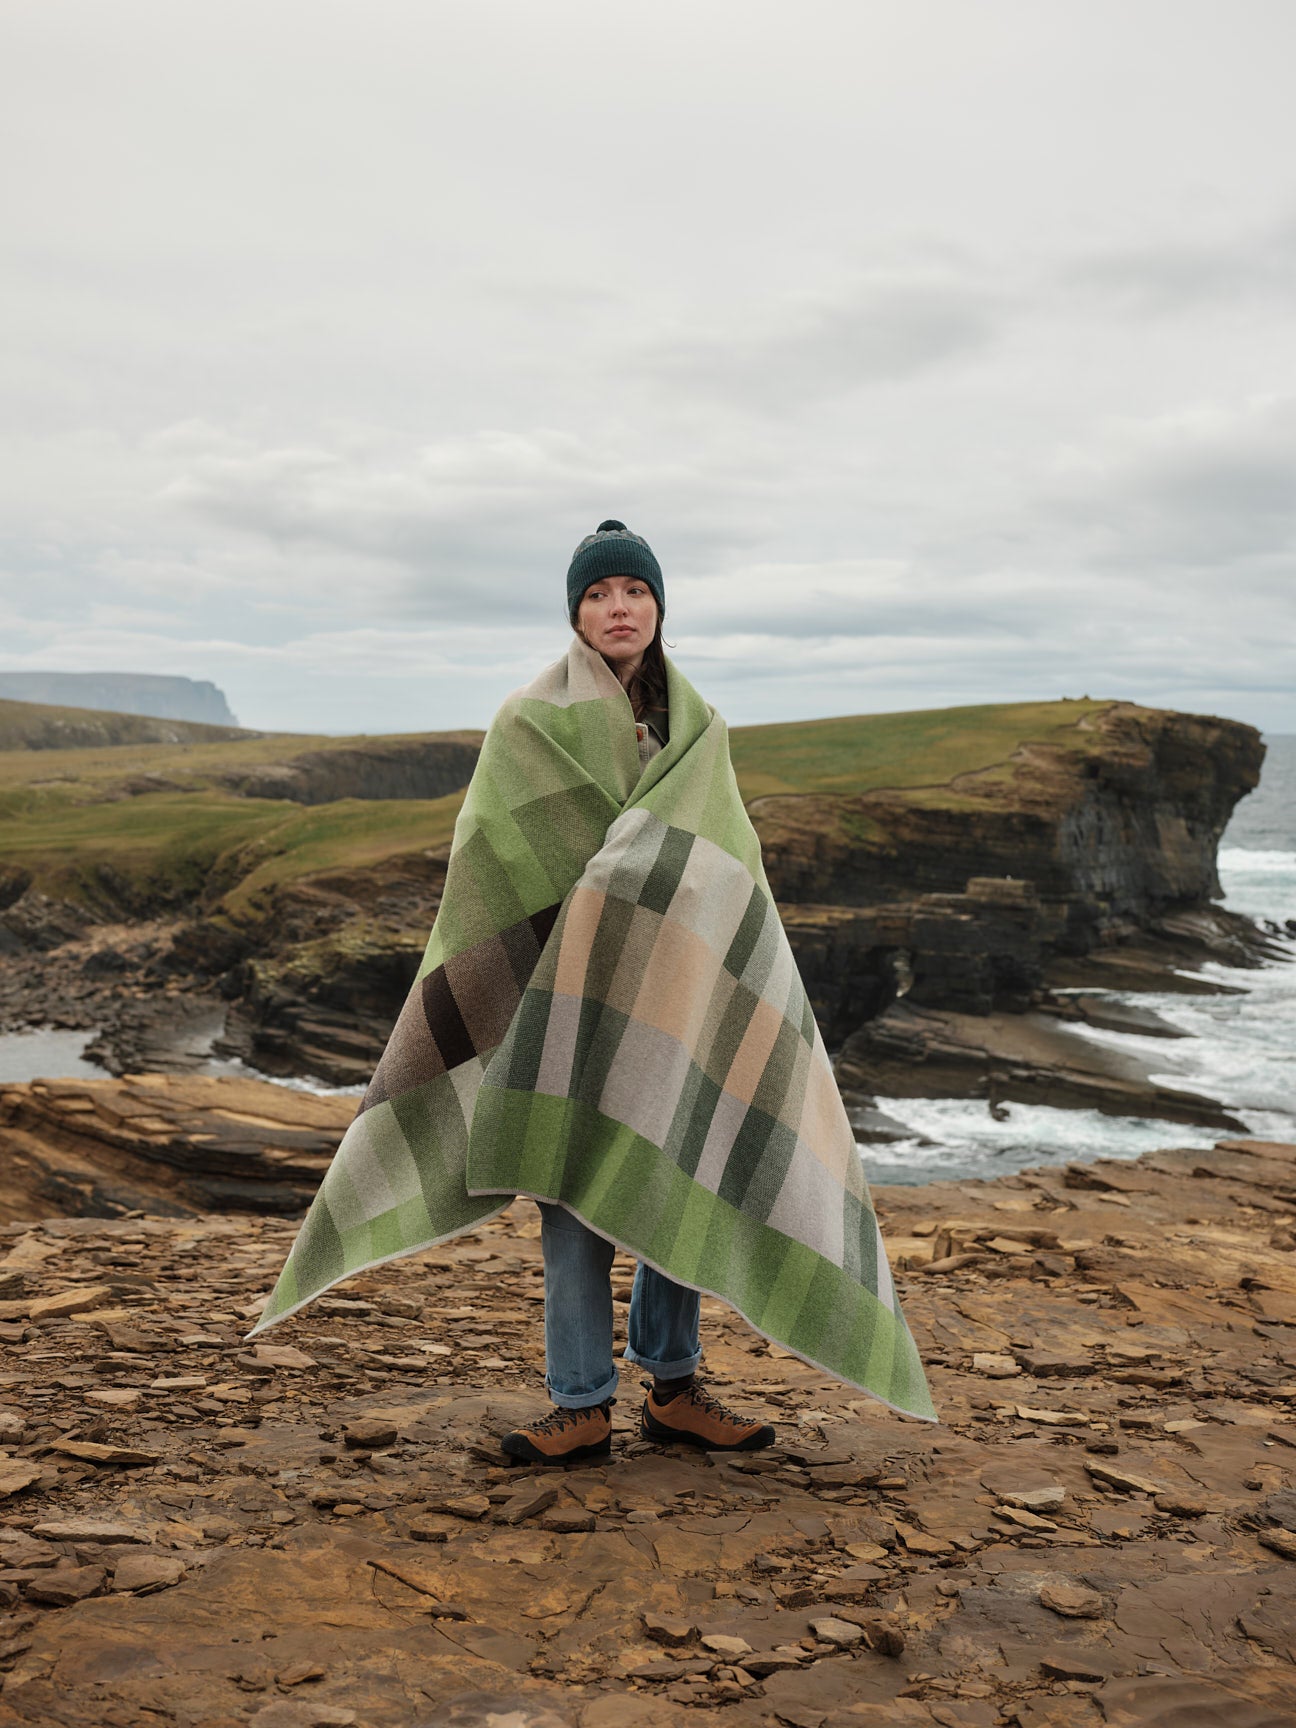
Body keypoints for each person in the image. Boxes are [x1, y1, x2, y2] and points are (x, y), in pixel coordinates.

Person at [248, 520, 933, 1461]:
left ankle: (676, 1386)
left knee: (679, 1174)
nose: (620, 608)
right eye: (601, 594)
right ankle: (580, 1402)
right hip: (561, 1005)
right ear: (576, 612)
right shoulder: (527, 725)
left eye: (636, 592)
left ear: (659, 607)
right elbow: (491, 869)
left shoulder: (698, 732)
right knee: (571, 1202)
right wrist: (614, 885)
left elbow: (729, 870)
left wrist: (650, 892)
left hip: (677, 996)